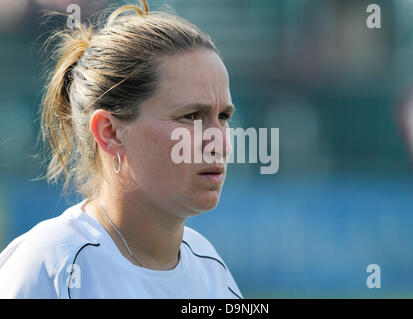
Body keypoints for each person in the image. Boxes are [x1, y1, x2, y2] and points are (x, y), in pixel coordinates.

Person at [0, 0, 242, 299]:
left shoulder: (210, 268)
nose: (220, 142)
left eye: (223, 117)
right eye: (190, 117)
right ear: (110, 132)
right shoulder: (49, 267)